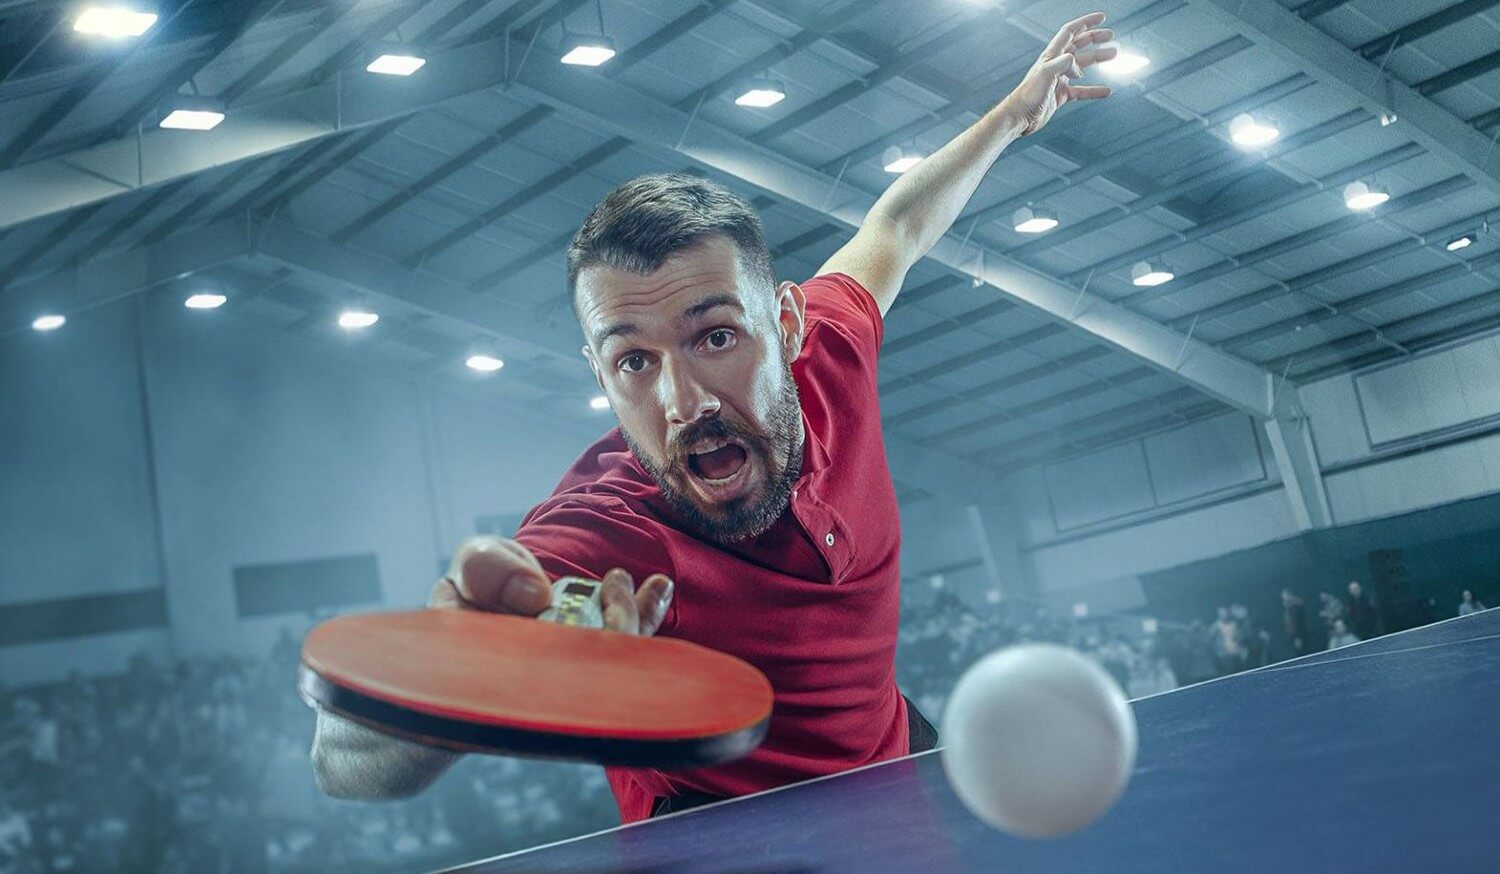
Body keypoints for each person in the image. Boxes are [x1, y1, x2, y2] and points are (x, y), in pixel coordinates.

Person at [308, 14, 1119, 824]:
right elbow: (345, 762)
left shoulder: (831, 354)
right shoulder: (602, 534)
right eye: (634, 360)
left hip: (894, 767)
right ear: (600, 374)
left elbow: (897, 227)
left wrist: (1014, 112)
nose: (683, 402)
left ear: (789, 325)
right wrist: (467, 668)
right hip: (726, 844)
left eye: (717, 337)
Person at [1282, 589, 1309, 657]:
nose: (1283, 598)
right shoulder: (1289, 607)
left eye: (1284, 596)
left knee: (1301, 653)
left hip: (1298, 635)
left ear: (1289, 595)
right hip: (1293, 635)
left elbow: (1297, 622)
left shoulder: (1295, 607)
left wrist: (1298, 637)